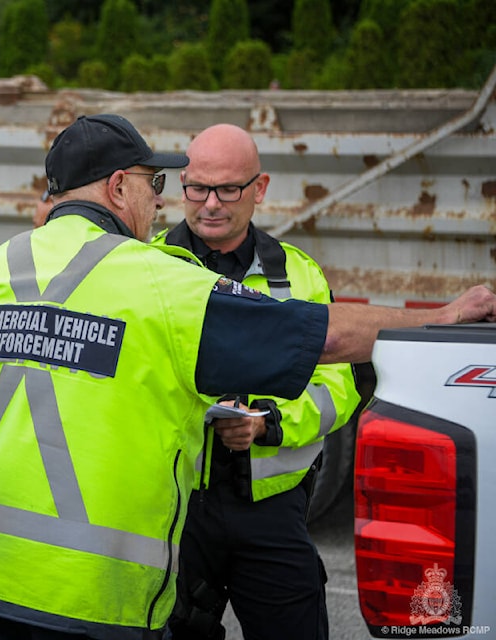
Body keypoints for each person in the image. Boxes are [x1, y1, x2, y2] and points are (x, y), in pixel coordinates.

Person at [0, 114, 496, 640]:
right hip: (82, 599)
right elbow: (328, 338)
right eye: (160, 185)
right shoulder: (161, 283)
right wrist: (439, 317)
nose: (164, 201)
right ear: (118, 187)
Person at [151, 123, 357, 640]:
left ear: (259, 189)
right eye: (197, 188)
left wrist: (270, 421)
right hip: (168, 508)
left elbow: (343, 382)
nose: (210, 204)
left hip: (269, 511)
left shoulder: (299, 275)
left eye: (228, 189)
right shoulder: (143, 267)